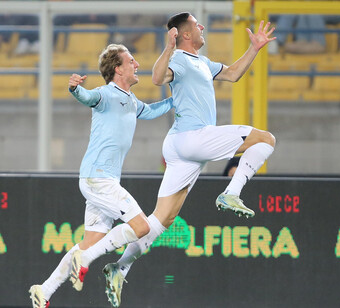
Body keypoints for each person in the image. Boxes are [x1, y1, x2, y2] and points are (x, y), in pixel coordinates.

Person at [101, 12, 277, 307]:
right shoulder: (179, 58)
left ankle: (119, 267)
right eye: (197, 25)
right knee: (267, 139)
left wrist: (255, 48)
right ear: (184, 33)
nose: (202, 27)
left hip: (180, 146)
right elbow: (157, 78)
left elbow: (233, 73)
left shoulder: (203, 62)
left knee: (161, 220)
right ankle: (231, 192)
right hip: (195, 138)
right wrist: (168, 47)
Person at [28, 43, 173, 308]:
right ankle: (85, 260)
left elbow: (152, 111)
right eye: (131, 61)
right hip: (98, 178)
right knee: (142, 227)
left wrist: (178, 99)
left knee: (89, 242)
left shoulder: (131, 100)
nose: (137, 64)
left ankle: (44, 290)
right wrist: (74, 88)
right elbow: (86, 97)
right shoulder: (106, 94)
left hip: (100, 180)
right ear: (118, 69)